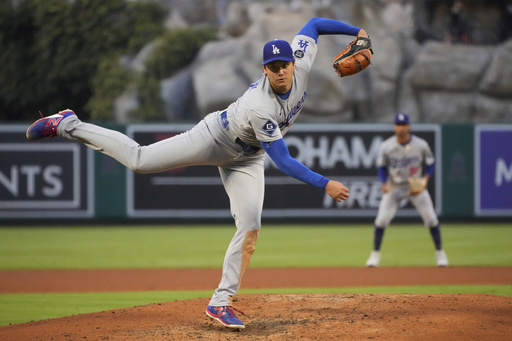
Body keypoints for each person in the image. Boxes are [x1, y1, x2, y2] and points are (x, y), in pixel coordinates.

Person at [26, 17, 368, 329]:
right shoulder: (260, 107)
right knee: (141, 161)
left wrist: (358, 32)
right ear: (264, 70)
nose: (280, 71)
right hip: (215, 137)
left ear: (296, 62)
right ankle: (68, 124)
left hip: (247, 159)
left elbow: (315, 24)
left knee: (250, 226)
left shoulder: (302, 60)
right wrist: (326, 183)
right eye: (273, 67)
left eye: (285, 65)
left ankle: (220, 302)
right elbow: (283, 160)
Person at [365, 113, 449, 268]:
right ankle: (375, 255)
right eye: (398, 124)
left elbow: (430, 164)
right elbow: (382, 167)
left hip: (415, 186)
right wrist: (383, 182)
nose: (401, 128)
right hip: (395, 187)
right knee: (381, 220)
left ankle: (440, 253)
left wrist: (425, 180)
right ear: (394, 126)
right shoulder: (387, 146)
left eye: (403, 125)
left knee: (431, 219)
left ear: (409, 126)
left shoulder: (421, 145)